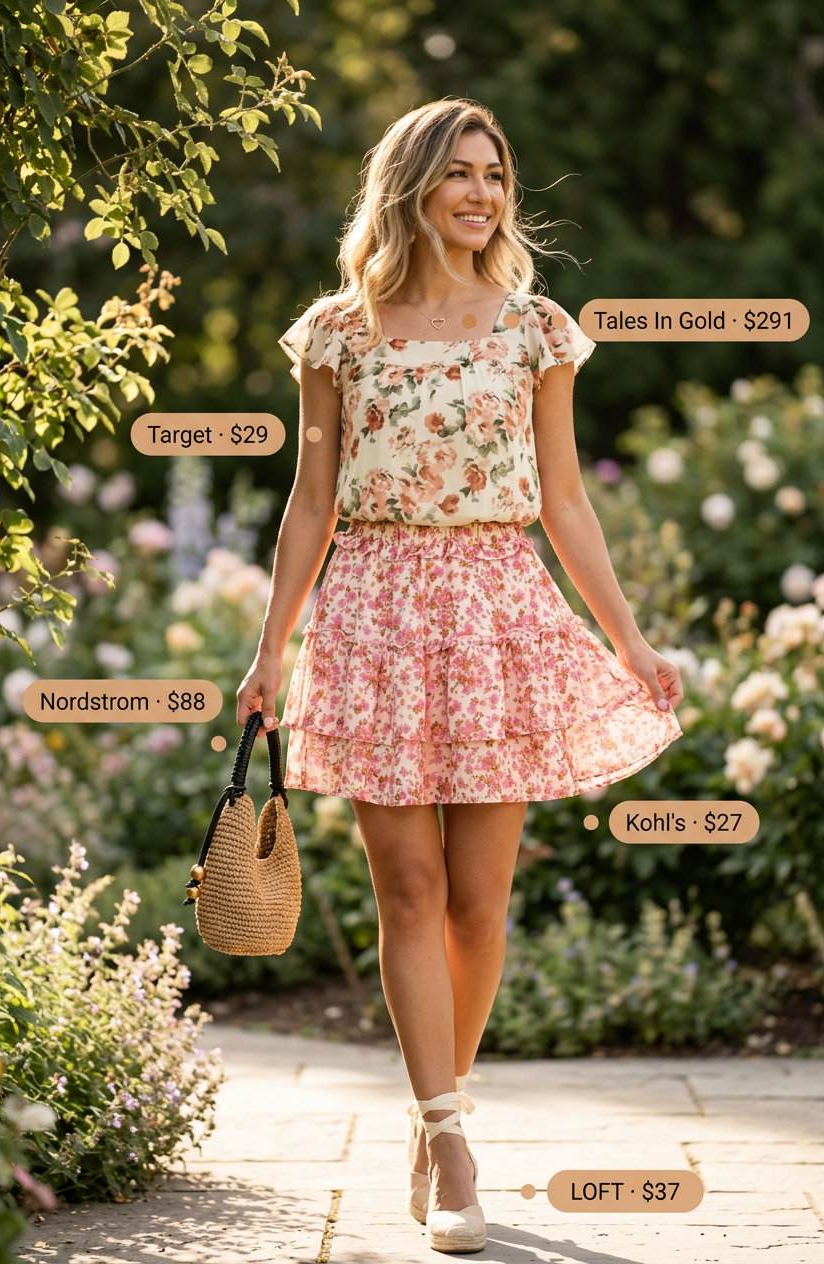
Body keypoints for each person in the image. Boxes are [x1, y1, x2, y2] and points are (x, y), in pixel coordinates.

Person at [236, 98, 683, 1254]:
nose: (482, 194)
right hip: (376, 612)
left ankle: (440, 1104)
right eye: (458, 174)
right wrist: (269, 648)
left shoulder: (536, 329)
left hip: (498, 609)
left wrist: (628, 640)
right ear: (412, 186)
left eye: (494, 175)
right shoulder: (337, 333)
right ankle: (449, 1136)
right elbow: (312, 501)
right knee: (408, 892)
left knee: (479, 903)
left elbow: (565, 500)